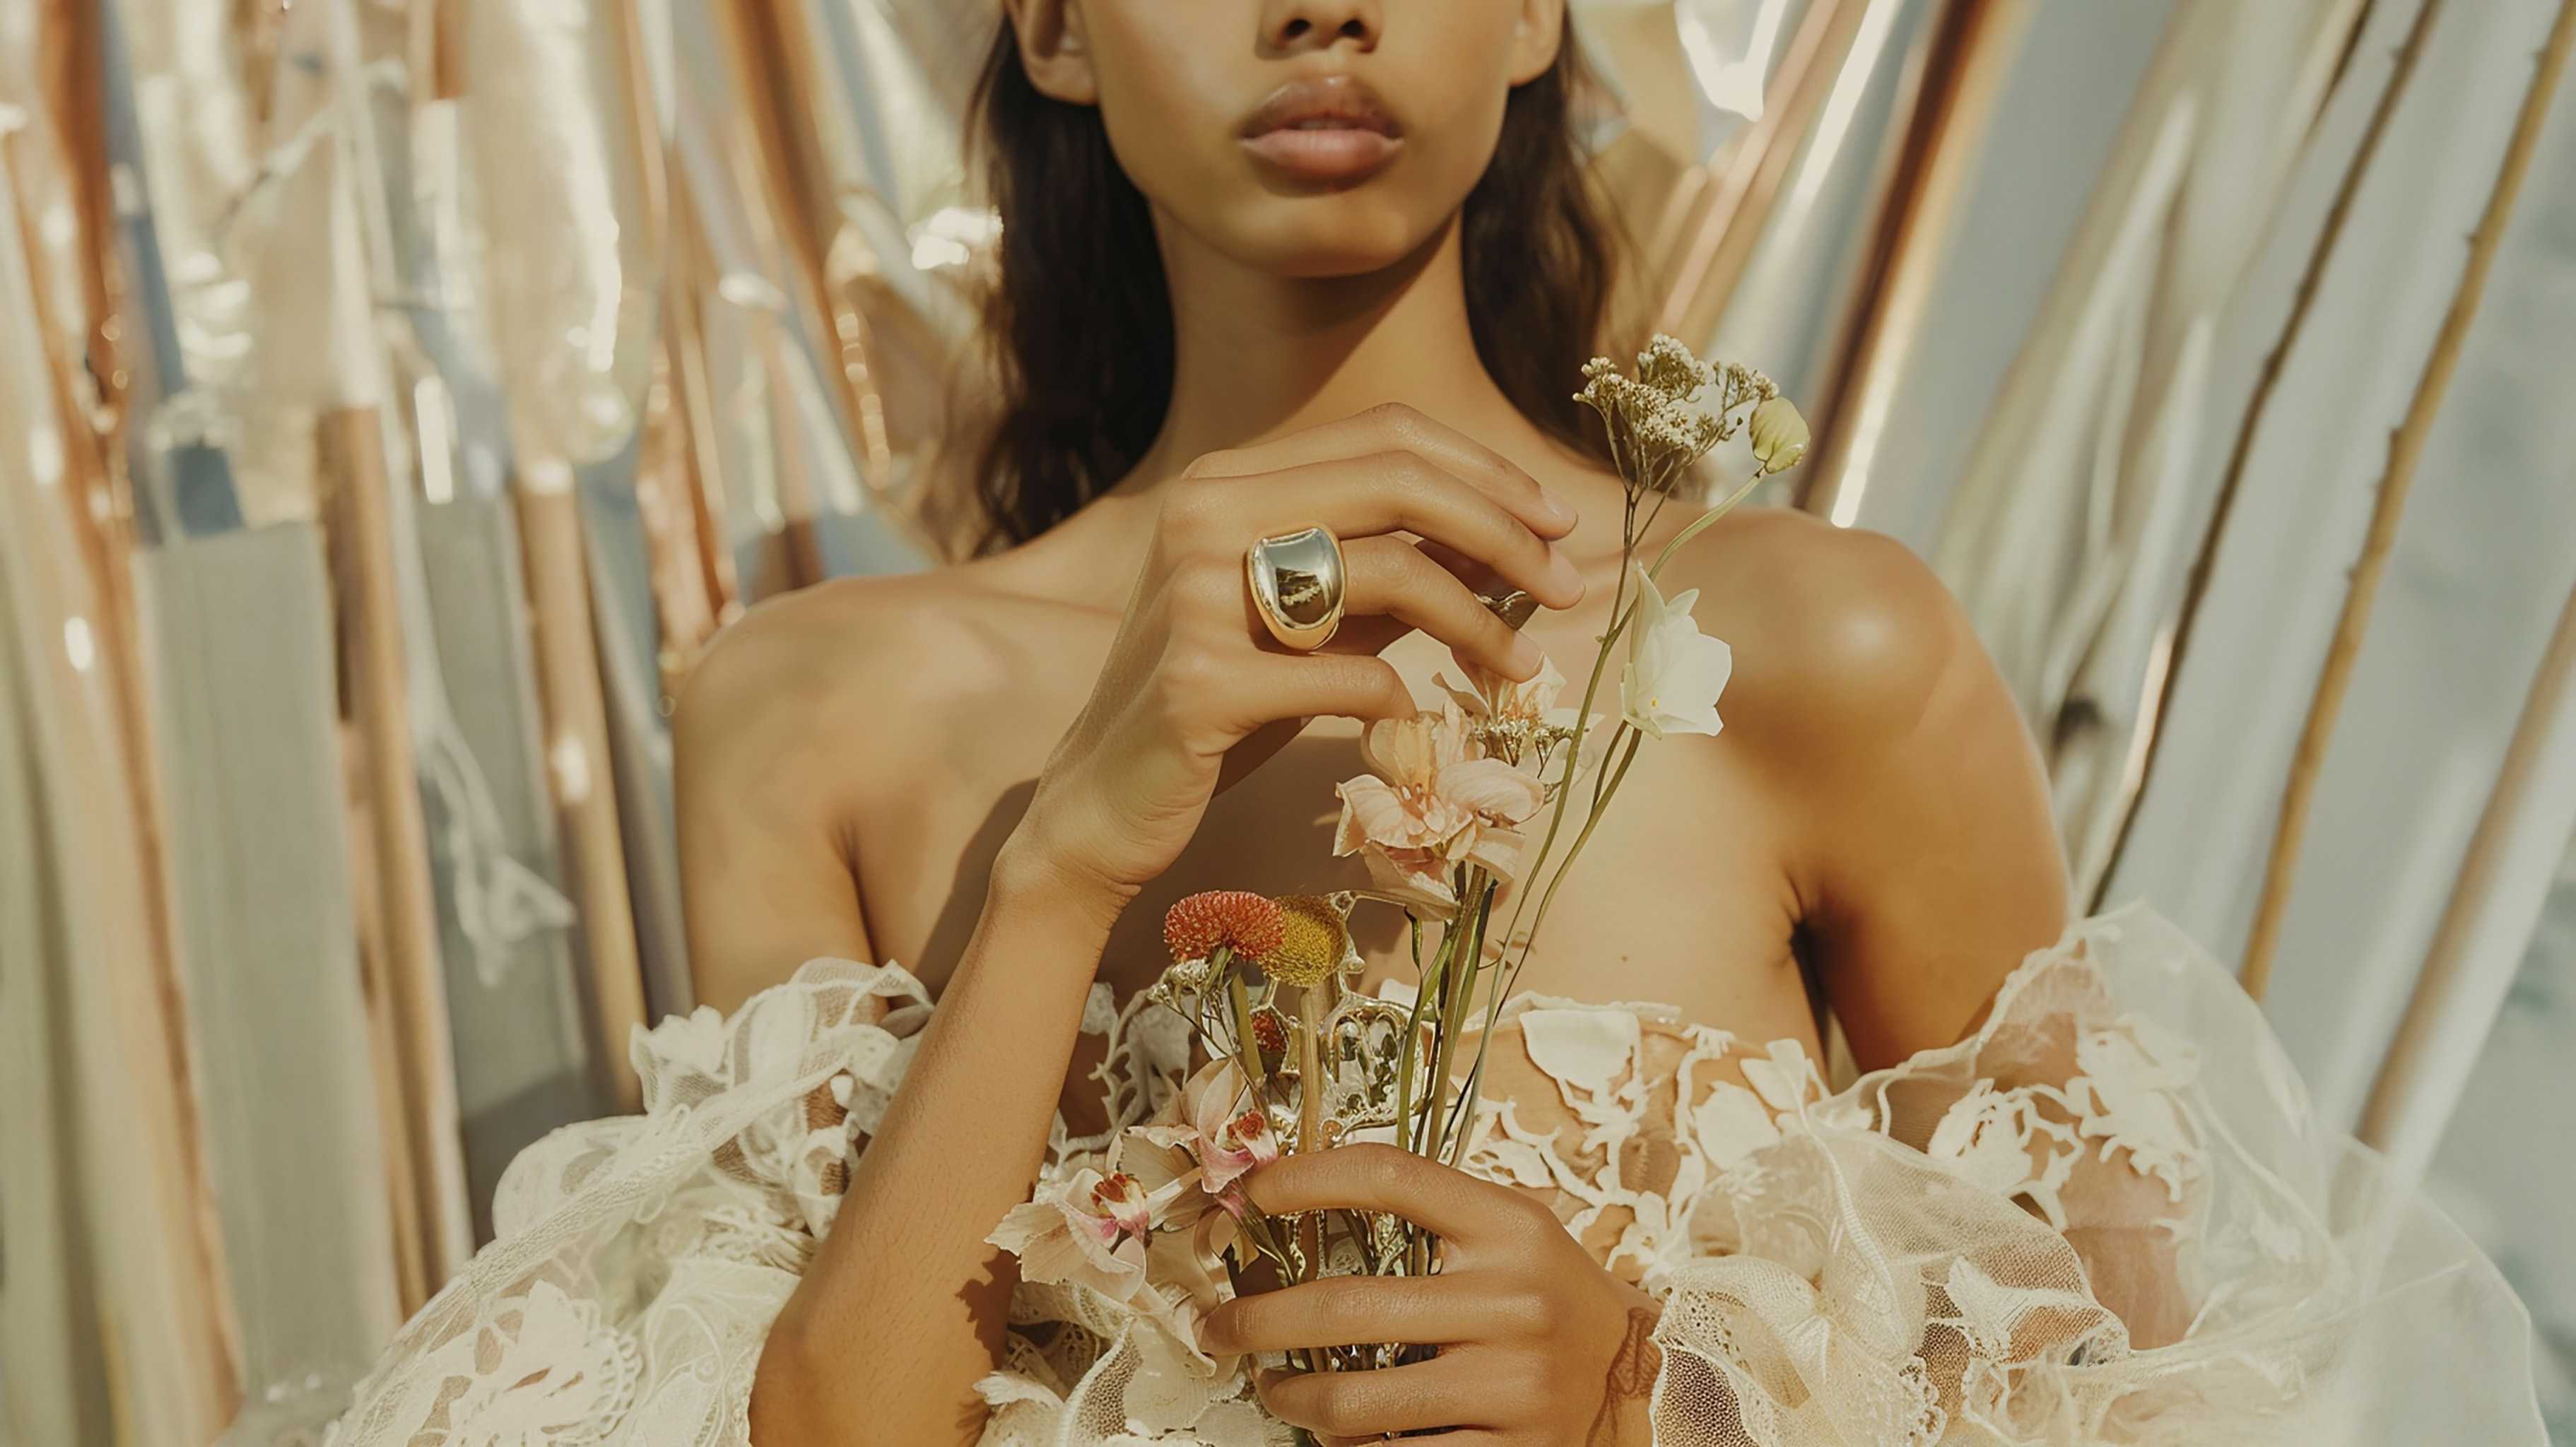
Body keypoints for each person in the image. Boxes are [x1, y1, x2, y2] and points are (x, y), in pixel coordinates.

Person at [325, 3, 2543, 1445]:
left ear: (1540, 17)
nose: (1323, 7)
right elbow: (820, 1427)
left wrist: (1645, 1398)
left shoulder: (1816, 656)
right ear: (1055, 30)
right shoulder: (823, 704)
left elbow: (2159, 1406)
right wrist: (1071, 852)